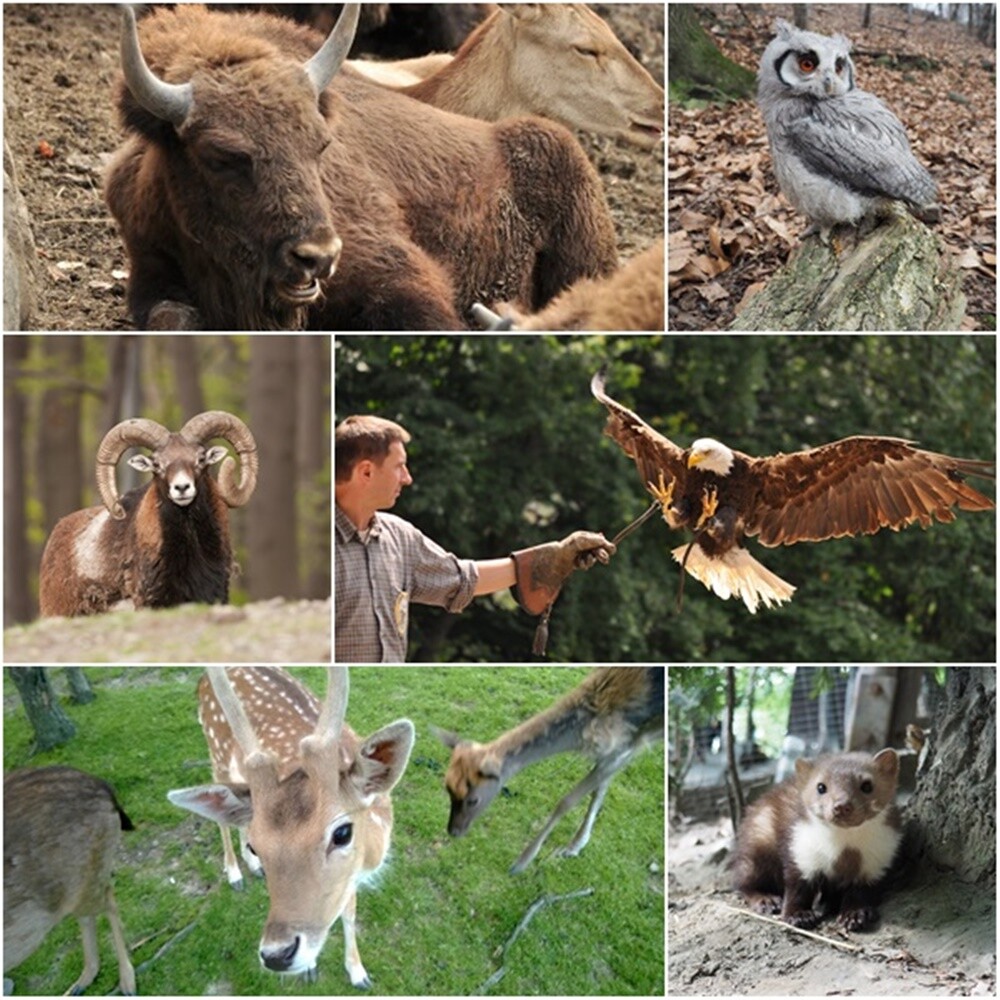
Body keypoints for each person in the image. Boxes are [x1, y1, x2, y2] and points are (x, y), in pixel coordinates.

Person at [335, 414, 615, 662]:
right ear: (366, 472)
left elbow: (462, 579)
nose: (407, 478)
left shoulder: (399, 537)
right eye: (399, 467)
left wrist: (554, 557)